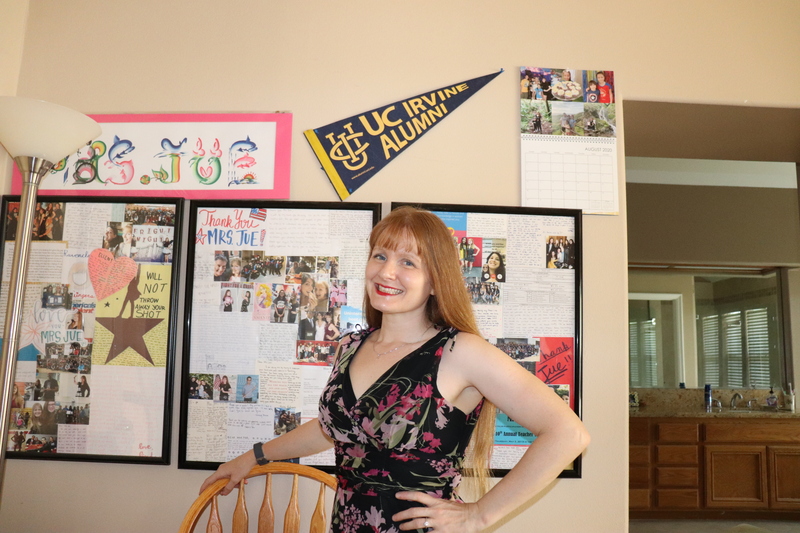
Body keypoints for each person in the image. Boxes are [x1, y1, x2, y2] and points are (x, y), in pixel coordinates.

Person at [201, 206, 589, 533]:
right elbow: (334, 429)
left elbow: (568, 433)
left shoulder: (459, 351)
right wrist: (252, 457)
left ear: (435, 281)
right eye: (380, 256)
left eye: (408, 262)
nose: (387, 272)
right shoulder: (351, 346)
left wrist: (478, 515)